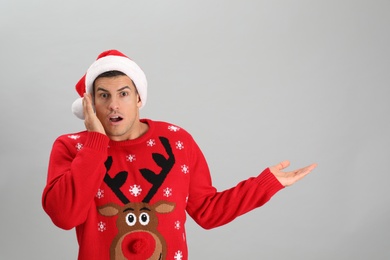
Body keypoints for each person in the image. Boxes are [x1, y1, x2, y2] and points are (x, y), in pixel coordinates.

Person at [42, 49, 317, 260]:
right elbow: (65, 216)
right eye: (103, 96)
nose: (114, 105)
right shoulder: (72, 147)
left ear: (139, 98)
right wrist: (95, 143)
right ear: (90, 104)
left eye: (123, 94)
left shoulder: (176, 142)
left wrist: (264, 184)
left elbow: (208, 212)